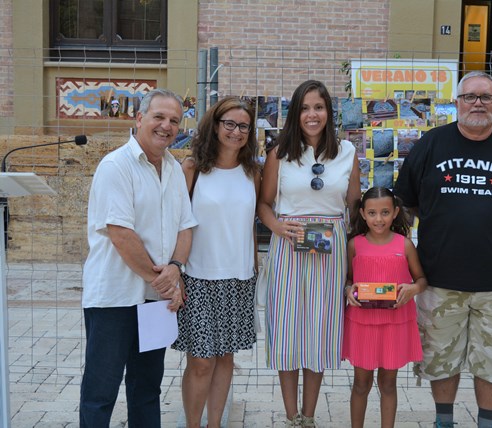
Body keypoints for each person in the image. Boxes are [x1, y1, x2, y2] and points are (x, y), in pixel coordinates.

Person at [394, 71, 492, 428]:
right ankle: (443, 421)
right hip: (440, 278)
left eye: (486, 97)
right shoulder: (430, 144)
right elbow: (410, 202)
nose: (478, 103)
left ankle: (487, 423)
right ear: (457, 102)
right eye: (470, 96)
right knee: (440, 357)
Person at [80, 88, 197, 427]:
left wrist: (175, 270)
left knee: (147, 390)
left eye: (174, 120)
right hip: (114, 298)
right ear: (139, 118)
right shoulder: (116, 166)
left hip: (155, 301)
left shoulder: (174, 168)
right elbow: (120, 234)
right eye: (159, 117)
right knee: (100, 392)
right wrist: (163, 281)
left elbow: (185, 227)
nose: (166, 126)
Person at [257, 80, 360, 427]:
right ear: (295, 113)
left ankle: (310, 416)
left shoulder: (347, 152)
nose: (312, 115)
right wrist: (277, 227)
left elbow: (355, 207)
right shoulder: (280, 154)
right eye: (304, 108)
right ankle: (290, 416)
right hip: (288, 246)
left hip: (331, 251)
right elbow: (264, 203)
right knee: (287, 330)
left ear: (329, 112)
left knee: (319, 331)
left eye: (318, 107)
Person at [172, 97, 261, 428]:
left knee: (226, 358)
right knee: (201, 363)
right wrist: (175, 272)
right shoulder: (192, 169)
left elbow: (251, 224)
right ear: (215, 124)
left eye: (243, 126)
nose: (236, 132)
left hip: (239, 278)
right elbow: (176, 225)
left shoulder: (253, 172)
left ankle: (215, 424)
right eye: (229, 124)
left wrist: (253, 268)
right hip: (197, 277)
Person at [342, 186, 427, 428]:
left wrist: (412, 289)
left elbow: (421, 280)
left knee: (389, 383)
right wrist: (348, 290)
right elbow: (349, 279)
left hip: (395, 324)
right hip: (362, 324)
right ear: (362, 214)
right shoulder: (354, 245)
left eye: (385, 212)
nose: (378, 219)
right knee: (360, 383)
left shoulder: (405, 245)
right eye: (372, 213)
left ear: (395, 212)